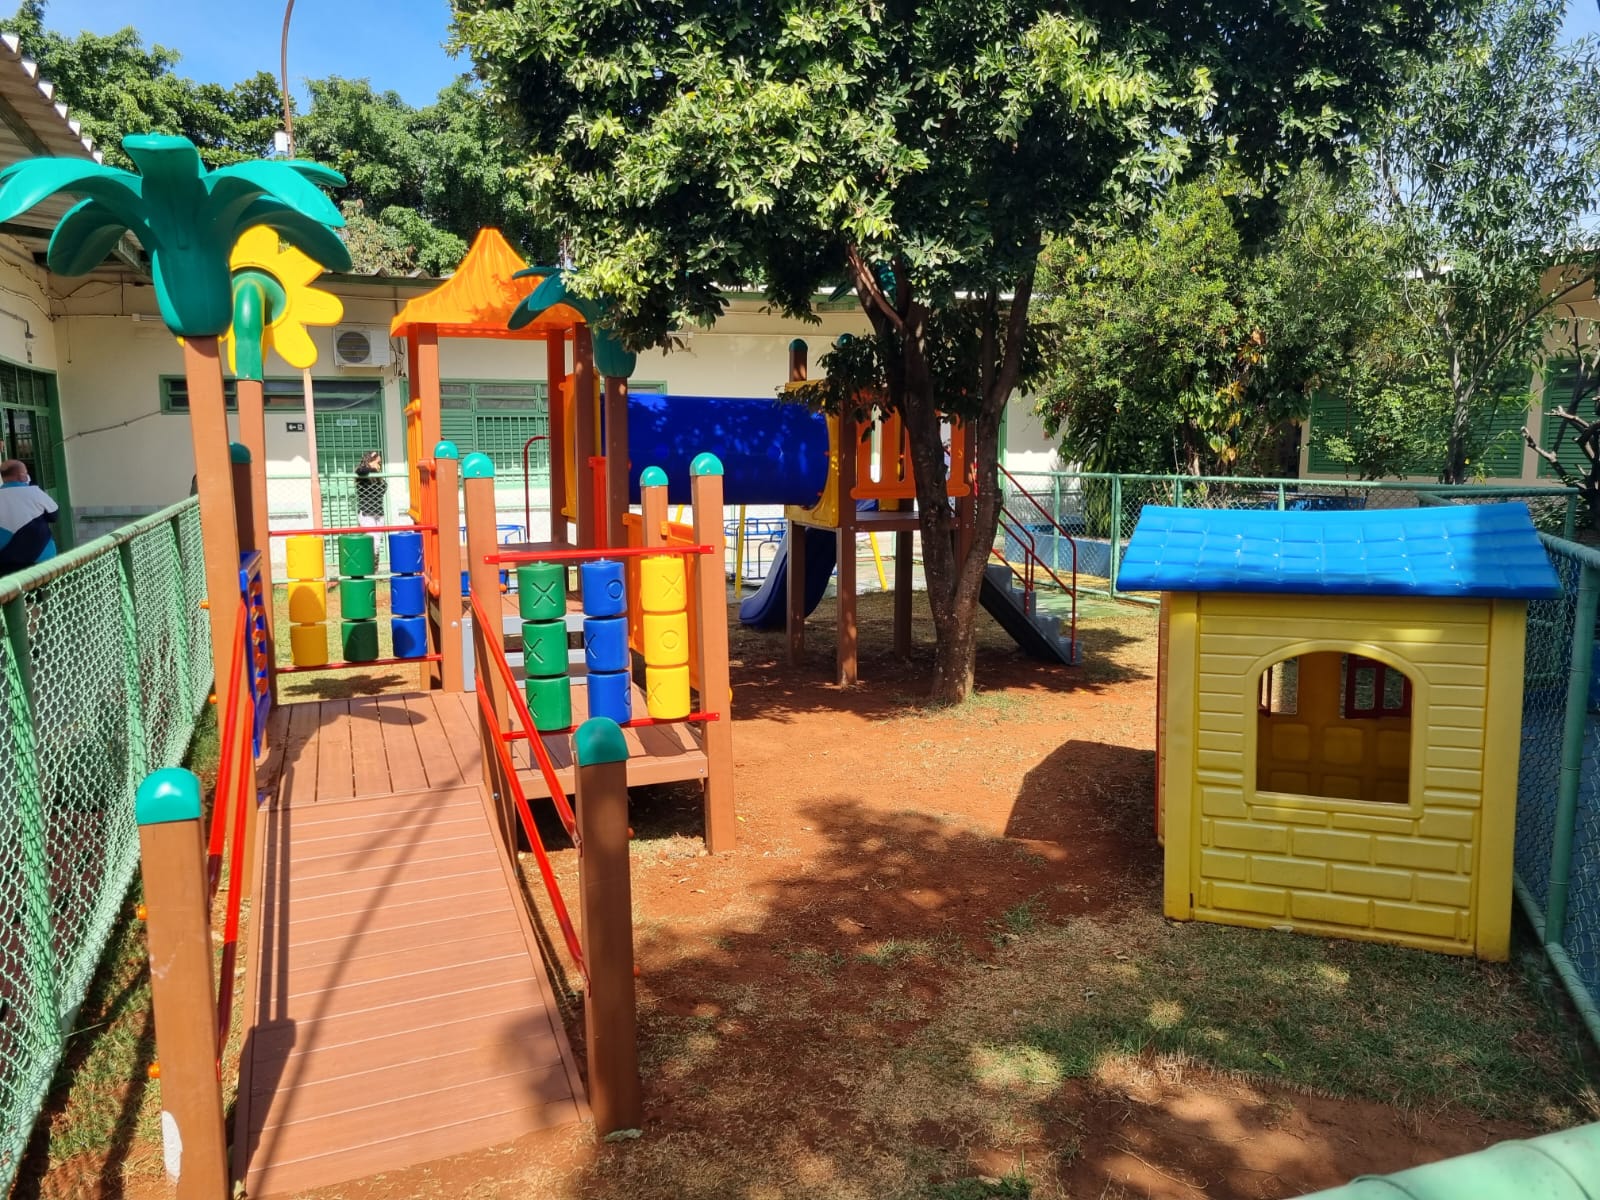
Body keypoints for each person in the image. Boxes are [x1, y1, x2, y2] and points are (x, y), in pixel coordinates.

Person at [0, 460, 58, 574]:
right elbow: (54, 516)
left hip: (5, 561)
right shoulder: (35, 492)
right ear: (22, 476)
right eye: (26, 473)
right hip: (40, 558)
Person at [354, 451, 386, 528]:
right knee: (372, 535)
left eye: (380, 463)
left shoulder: (377, 477)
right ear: (369, 462)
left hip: (379, 513)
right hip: (367, 514)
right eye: (378, 463)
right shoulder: (363, 475)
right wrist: (373, 469)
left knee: (378, 536)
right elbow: (360, 471)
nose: (379, 466)